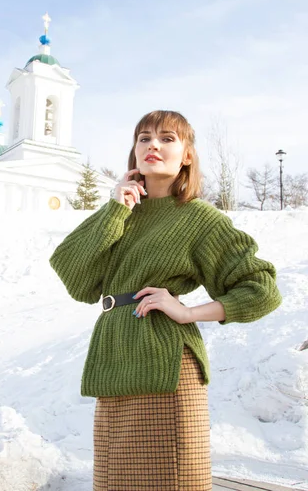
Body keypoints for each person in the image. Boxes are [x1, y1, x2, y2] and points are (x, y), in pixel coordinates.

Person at [49, 110, 282, 491]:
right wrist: (114, 209)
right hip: (114, 360)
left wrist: (188, 311)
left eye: (167, 138)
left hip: (166, 368)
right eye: (144, 137)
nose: (152, 144)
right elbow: (75, 278)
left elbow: (261, 289)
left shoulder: (199, 218)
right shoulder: (121, 212)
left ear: (187, 154)